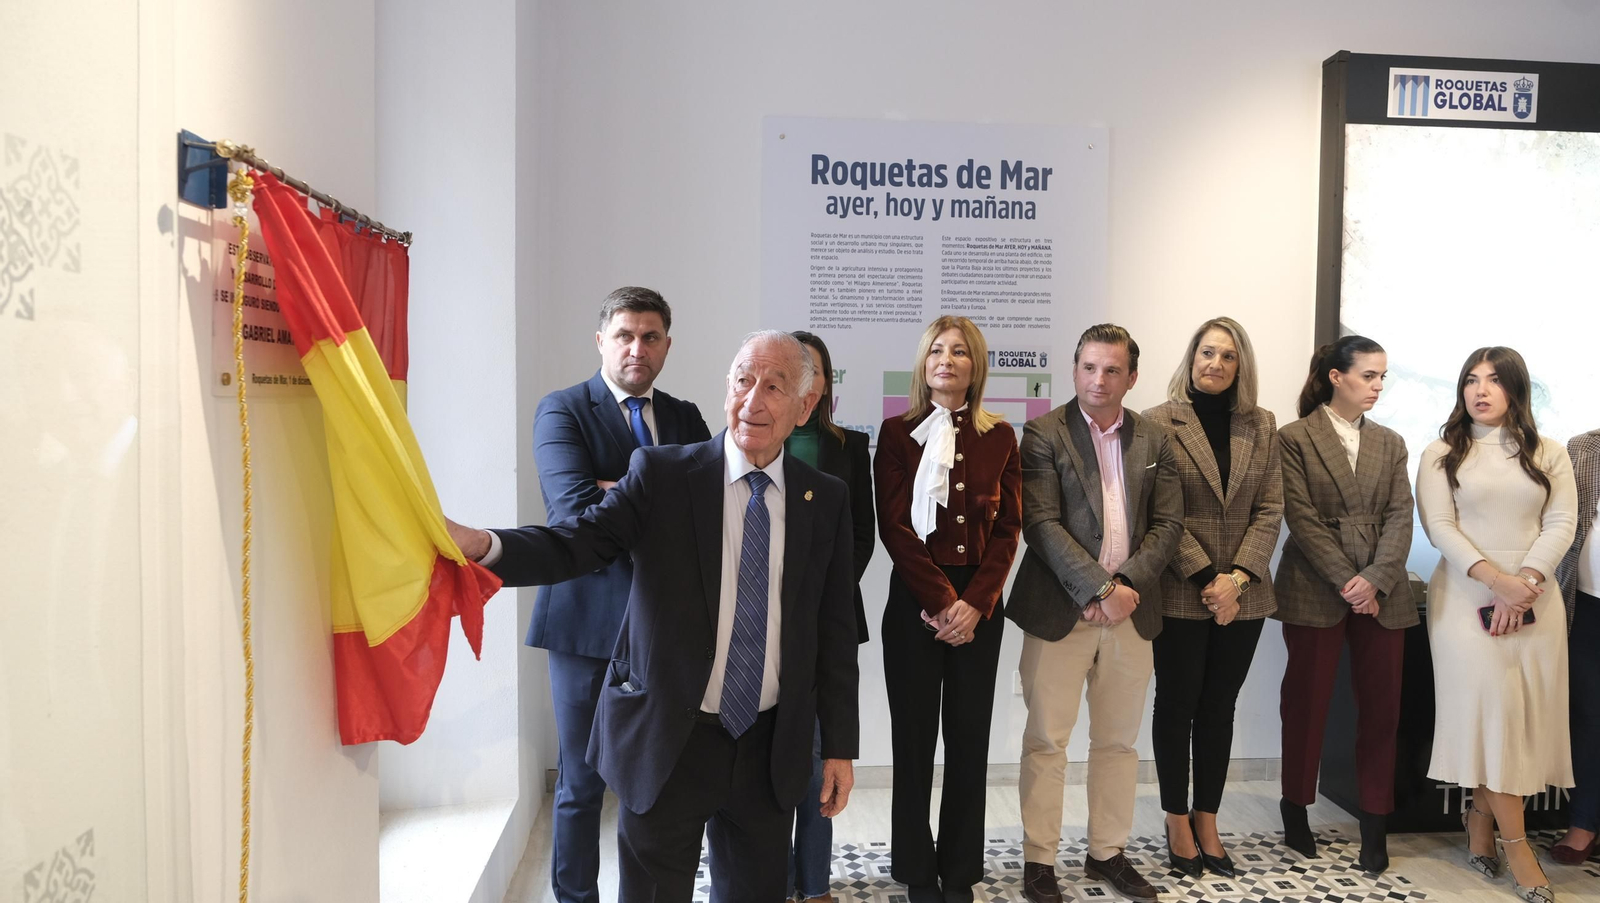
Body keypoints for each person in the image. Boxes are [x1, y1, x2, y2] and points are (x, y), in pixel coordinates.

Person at [446, 331, 860, 903]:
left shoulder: (825, 499)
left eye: (774, 386)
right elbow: (576, 542)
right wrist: (483, 545)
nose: (753, 401)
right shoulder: (664, 475)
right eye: (743, 381)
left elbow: (835, 631)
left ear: (806, 406)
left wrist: (838, 744)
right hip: (670, 742)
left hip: (767, 751)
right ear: (726, 388)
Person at [526, 286, 710, 903]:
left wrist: (621, 491)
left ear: (667, 346)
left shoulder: (684, 417)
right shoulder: (564, 411)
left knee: (657, 777)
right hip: (586, 626)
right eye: (625, 335)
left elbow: (711, 507)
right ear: (601, 340)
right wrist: (659, 497)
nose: (638, 348)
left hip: (666, 623)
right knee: (581, 781)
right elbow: (572, 509)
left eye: (651, 337)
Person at [1009, 324, 1184, 903]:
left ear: (1131, 377)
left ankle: (1107, 852)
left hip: (1133, 614)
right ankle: (1040, 859)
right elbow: (1041, 524)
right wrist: (1098, 587)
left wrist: (1126, 585)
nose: (1098, 380)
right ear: (1075, 369)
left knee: (1117, 745)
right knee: (1046, 742)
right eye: (1089, 367)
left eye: (1112, 370)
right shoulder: (1041, 434)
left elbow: (1167, 525)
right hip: (1061, 611)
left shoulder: (1156, 439)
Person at [1416, 346, 1577, 903]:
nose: (1479, 390)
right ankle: (1518, 845)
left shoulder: (1549, 453)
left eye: (1492, 380)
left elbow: (1561, 522)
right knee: (1493, 715)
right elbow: (1440, 527)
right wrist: (1497, 581)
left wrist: (1525, 579)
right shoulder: (1441, 452)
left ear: (1516, 388)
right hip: (1465, 596)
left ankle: (1478, 817)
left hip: (1536, 597)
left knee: (1520, 720)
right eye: (1469, 380)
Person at [875, 316, 1022, 903]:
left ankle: (959, 870)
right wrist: (941, 602)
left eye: (960, 352)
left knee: (969, 741)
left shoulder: (1001, 436)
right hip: (916, 601)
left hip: (980, 607)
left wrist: (975, 604)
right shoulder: (894, 433)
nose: (947, 359)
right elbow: (895, 527)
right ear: (923, 362)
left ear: (974, 366)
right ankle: (916, 869)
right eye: (937, 350)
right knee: (913, 741)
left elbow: (1010, 529)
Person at [1142, 316, 1283, 879]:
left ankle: (1208, 819)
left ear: (1240, 366)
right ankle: (1176, 819)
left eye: (1228, 356)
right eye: (1207, 353)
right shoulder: (1158, 421)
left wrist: (1238, 579)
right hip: (1182, 589)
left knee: (1218, 708)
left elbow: (1270, 509)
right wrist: (1209, 579)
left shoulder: (1262, 424)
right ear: (1191, 357)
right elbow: (1161, 511)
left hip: (1244, 595)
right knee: (1177, 706)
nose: (1216, 364)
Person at [1272, 336, 1414, 874]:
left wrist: (1375, 580)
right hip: (1315, 583)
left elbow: (1403, 514)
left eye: (1382, 377)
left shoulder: (1391, 441)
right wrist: (1348, 580)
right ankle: (1295, 810)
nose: (1378, 386)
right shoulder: (1294, 438)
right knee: (1305, 702)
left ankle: (1375, 823)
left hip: (1384, 589)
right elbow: (1301, 519)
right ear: (1336, 376)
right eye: (1368, 375)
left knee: (1383, 709)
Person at [786, 331, 875, 903]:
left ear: (826, 381)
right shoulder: (752, 442)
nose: (804, 380)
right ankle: (767, 876)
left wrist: (821, 599)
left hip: (828, 621)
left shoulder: (850, 445)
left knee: (823, 758)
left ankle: (814, 883)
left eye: (813, 370)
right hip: (759, 623)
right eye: (793, 370)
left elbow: (861, 538)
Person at [1553, 427, 1600, 866]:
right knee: (1588, 716)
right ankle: (1584, 823)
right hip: (1587, 603)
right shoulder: (1584, 447)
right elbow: (1566, 519)